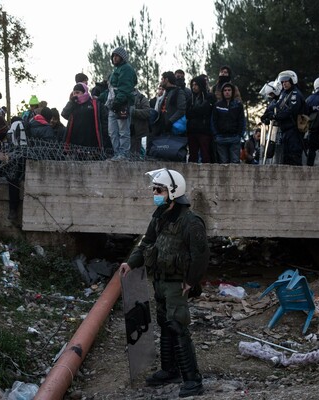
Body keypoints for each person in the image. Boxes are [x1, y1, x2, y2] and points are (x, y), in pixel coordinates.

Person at [119, 167, 208, 398]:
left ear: (173, 191)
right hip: (159, 279)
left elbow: (200, 255)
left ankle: (192, 380)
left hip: (177, 283)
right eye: (155, 189)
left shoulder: (191, 222)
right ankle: (170, 370)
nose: (155, 193)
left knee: (178, 326)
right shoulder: (159, 216)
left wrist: (190, 281)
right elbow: (147, 242)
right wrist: (131, 263)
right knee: (165, 324)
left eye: (159, 189)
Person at [98, 47, 138, 160]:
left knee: (123, 131)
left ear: (122, 57)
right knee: (112, 132)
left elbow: (125, 88)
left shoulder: (126, 69)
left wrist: (118, 101)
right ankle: (117, 153)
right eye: (113, 56)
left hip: (122, 104)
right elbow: (110, 90)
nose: (114, 58)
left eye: (117, 56)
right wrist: (100, 98)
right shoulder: (114, 72)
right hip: (113, 104)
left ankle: (123, 154)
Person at [61, 83, 109, 152]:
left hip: (92, 143)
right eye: (74, 93)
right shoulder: (73, 105)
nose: (75, 95)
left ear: (84, 92)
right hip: (75, 144)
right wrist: (71, 102)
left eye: (77, 92)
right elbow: (64, 114)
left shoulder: (95, 104)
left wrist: (104, 140)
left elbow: (104, 121)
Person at [272, 70, 306, 166]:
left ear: (292, 81)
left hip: (293, 130)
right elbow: (277, 106)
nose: (284, 84)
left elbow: (291, 111)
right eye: (282, 82)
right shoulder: (284, 94)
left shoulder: (295, 94)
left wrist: (276, 116)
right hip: (285, 131)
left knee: (294, 157)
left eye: (286, 81)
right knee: (286, 158)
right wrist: (269, 113)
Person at [211, 82, 245, 163]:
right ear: (222, 92)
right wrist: (216, 135)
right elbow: (213, 121)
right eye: (225, 90)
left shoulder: (238, 105)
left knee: (235, 162)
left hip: (234, 138)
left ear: (232, 92)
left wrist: (239, 134)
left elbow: (242, 120)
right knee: (223, 163)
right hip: (221, 138)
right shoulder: (217, 105)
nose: (227, 92)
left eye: (229, 90)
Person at [187, 75, 214, 163]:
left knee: (205, 155)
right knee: (192, 156)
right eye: (193, 85)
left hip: (204, 131)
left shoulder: (209, 97)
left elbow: (205, 110)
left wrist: (195, 111)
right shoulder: (190, 98)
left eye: (196, 85)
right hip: (192, 131)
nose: (194, 87)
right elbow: (187, 113)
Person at [131, 89, 151, 156]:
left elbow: (147, 112)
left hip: (136, 132)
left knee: (135, 155)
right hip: (124, 132)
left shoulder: (141, 98)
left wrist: (134, 112)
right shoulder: (121, 96)